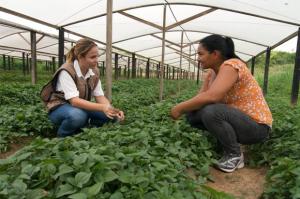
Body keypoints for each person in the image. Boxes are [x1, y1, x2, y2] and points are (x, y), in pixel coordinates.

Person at [170, 34, 272, 173]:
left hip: (257, 128)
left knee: (211, 111)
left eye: (201, 54)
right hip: (237, 121)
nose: (198, 58)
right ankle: (224, 142)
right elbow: (201, 96)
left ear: (215, 54)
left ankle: (234, 155)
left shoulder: (232, 65)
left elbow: (212, 96)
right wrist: (187, 110)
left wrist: (179, 108)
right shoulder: (212, 73)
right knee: (193, 115)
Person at [41, 38, 124, 137]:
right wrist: (103, 107)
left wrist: (112, 110)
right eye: (92, 57)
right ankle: (62, 137)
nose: (96, 60)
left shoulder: (94, 72)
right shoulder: (66, 70)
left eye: (97, 56)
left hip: (81, 107)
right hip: (60, 108)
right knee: (77, 116)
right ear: (80, 57)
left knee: (112, 117)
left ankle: (86, 130)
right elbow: (74, 101)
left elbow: (100, 96)